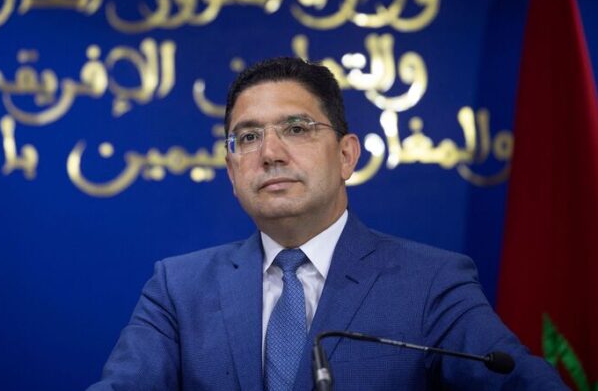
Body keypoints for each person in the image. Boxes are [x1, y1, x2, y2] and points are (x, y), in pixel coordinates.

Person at [88, 57, 566, 390]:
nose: (270, 153)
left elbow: (521, 383)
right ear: (232, 173)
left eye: (296, 129)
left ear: (346, 156)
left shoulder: (430, 283)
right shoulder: (178, 288)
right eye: (248, 137)